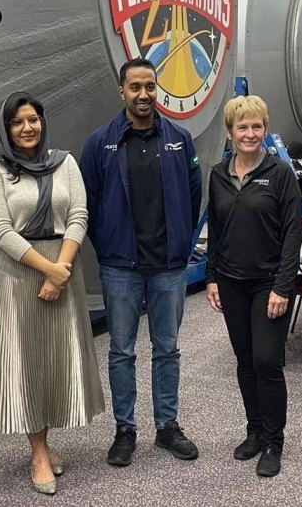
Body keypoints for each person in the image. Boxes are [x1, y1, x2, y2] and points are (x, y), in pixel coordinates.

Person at [0, 92, 105, 495]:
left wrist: (61, 270)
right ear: (6, 128)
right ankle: (37, 452)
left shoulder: (64, 162)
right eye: (17, 122)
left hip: (63, 265)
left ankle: (45, 442)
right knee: (27, 359)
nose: (27, 128)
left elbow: (78, 215)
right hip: (16, 273)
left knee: (53, 357)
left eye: (32, 119)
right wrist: (49, 269)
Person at [79, 57, 202, 467]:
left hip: (168, 265)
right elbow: (89, 203)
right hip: (120, 267)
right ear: (122, 91)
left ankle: (167, 427)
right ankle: (125, 430)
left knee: (167, 349)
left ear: (157, 88)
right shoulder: (101, 143)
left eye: (150, 86)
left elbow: (193, 194)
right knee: (121, 351)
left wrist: (182, 243)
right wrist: (108, 246)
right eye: (135, 87)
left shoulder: (180, 139)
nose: (144, 94)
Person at [205, 95, 302, 477]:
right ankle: (255, 432)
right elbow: (216, 228)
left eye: (256, 126)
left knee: (266, 360)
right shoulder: (218, 173)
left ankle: (274, 442)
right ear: (230, 132)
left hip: (270, 284)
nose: (250, 133)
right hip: (231, 281)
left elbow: (293, 232)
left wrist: (282, 285)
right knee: (244, 360)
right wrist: (211, 277)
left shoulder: (280, 174)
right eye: (242, 127)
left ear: (264, 128)